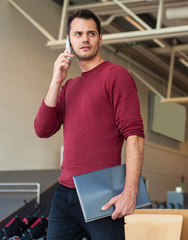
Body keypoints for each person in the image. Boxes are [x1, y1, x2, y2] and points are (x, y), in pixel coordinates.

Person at [34, 9, 144, 240]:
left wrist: (130, 191)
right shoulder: (68, 87)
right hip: (64, 193)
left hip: (102, 191)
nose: (84, 38)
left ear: (100, 39)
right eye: (78, 34)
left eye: (91, 33)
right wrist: (56, 80)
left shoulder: (116, 75)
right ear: (69, 41)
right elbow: (42, 129)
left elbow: (134, 135)